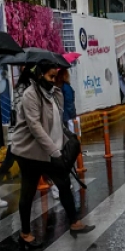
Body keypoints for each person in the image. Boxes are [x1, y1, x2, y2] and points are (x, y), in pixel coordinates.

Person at [11, 63, 94, 248]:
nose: (53, 80)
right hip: (30, 153)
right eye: (50, 77)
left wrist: (64, 142)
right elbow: (35, 127)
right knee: (28, 190)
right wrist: (55, 152)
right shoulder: (30, 95)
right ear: (40, 75)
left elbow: (57, 122)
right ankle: (25, 234)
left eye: (55, 77)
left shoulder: (53, 93)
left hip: (47, 150)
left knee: (64, 183)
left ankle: (74, 222)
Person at [0, 64, 36, 208]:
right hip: (21, 134)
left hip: (19, 134)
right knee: (10, 162)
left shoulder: (22, 88)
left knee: (28, 162)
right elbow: (26, 114)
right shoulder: (26, 90)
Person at [52, 68, 76, 200]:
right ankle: (59, 184)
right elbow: (68, 106)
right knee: (66, 153)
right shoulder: (65, 88)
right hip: (64, 123)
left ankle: (62, 182)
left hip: (59, 124)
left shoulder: (54, 88)